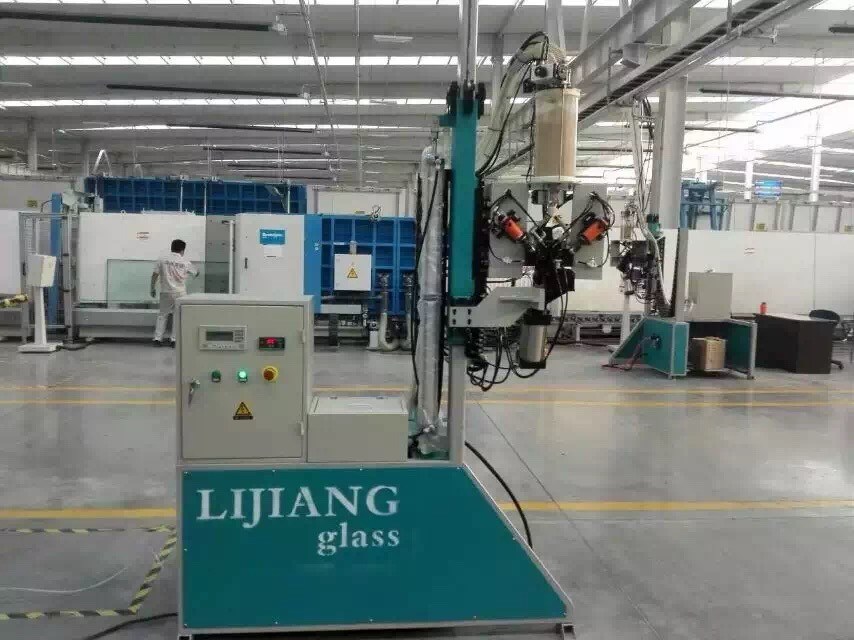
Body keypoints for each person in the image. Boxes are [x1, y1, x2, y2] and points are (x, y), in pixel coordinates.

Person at [150, 239, 198, 346]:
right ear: (182, 250)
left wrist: (152, 288)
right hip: (180, 293)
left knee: (162, 315)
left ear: (172, 247)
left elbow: (155, 274)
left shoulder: (162, 259)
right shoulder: (185, 262)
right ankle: (174, 340)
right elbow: (196, 272)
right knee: (177, 316)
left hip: (166, 291)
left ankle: (157, 339)